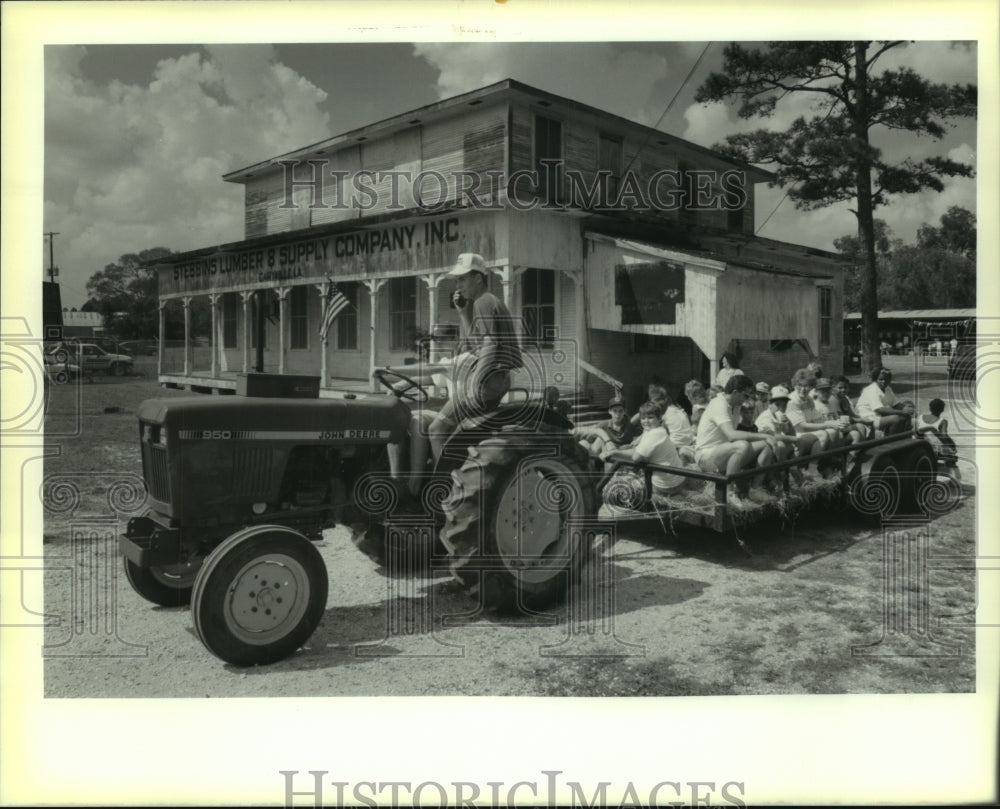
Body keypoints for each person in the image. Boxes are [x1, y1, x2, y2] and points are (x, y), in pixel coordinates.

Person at [426, 253, 522, 462]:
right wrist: (462, 312)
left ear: (478, 278)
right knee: (456, 432)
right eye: (457, 280)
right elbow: (476, 344)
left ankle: (440, 488)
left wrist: (475, 383)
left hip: (488, 381)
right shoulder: (486, 303)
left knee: (435, 430)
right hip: (497, 380)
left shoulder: (483, 302)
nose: (458, 285)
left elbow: (490, 344)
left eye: (462, 279)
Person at [694, 374, 778, 507]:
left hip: (724, 452)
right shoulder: (718, 404)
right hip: (706, 457)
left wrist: (766, 437)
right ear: (735, 392)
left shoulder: (735, 405)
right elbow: (732, 435)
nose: (747, 399)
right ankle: (729, 493)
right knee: (742, 446)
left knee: (766, 445)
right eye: (746, 396)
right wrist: (764, 435)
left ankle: (754, 489)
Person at [603, 401, 688, 499]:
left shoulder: (655, 434)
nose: (646, 421)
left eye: (650, 417)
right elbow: (639, 449)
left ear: (659, 418)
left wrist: (615, 452)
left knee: (626, 483)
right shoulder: (655, 430)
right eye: (643, 418)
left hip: (666, 486)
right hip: (678, 479)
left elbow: (636, 457)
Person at [753, 384, 807, 485]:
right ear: (770, 404)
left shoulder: (780, 416)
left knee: (798, 443)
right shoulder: (766, 417)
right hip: (762, 449)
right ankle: (778, 479)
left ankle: (792, 474)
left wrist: (789, 424)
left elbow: (792, 434)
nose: (781, 408)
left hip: (774, 447)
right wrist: (794, 439)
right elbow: (773, 436)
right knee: (782, 445)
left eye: (784, 405)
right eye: (778, 405)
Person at [786, 369, 844, 456]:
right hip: (795, 435)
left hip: (806, 433)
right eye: (799, 385)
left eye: (806, 386)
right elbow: (802, 425)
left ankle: (828, 461)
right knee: (823, 434)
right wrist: (828, 424)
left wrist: (835, 423)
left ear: (811, 387)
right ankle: (813, 466)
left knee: (833, 431)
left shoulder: (809, 399)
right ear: (794, 385)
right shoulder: (792, 401)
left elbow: (818, 419)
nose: (803, 389)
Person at [576, 396, 638, 468]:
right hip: (603, 457)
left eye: (620, 411)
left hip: (620, 459)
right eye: (614, 411)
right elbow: (589, 430)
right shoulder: (604, 425)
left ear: (624, 411)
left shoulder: (629, 425)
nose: (617, 414)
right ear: (609, 411)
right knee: (586, 443)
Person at [855, 367, 913, 436]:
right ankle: (888, 440)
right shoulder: (871, 390)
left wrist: (907, 409)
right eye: (881, 379)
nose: (884, 381)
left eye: (886, 379)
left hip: (880, 417)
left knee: (906, 416)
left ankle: (903, 438)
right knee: (895, 418)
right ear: (875, 379)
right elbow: (880, 410)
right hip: (868, 418)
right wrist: (902, 411)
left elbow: (896, 404)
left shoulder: (888, 389)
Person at [914, 398, 960, 475]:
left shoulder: (920, 417)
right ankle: (951, 470)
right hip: (934, 449)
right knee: (951, 450)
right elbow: (944, 436)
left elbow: (917, 431)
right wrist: (953, 446)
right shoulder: (943, 421)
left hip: (921, 445)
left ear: (930, 408)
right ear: (942, 410)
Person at [830, 375, 871, 443]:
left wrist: (862, 419)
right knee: (860, 426)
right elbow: (841, 417)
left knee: (862, 426)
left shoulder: (844, 399)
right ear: (833, 388)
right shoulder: (833, 399)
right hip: (837, 426)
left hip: (845, 424)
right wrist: (861, 420)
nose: (843, 390)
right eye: (840, 388)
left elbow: (851, 414)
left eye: (845, 387)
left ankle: (861, 448)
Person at [662, 394, 696, 463]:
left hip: (676, 445)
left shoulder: (665, 413)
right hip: (689, 442)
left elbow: (661, 432)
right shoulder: (680, 410)